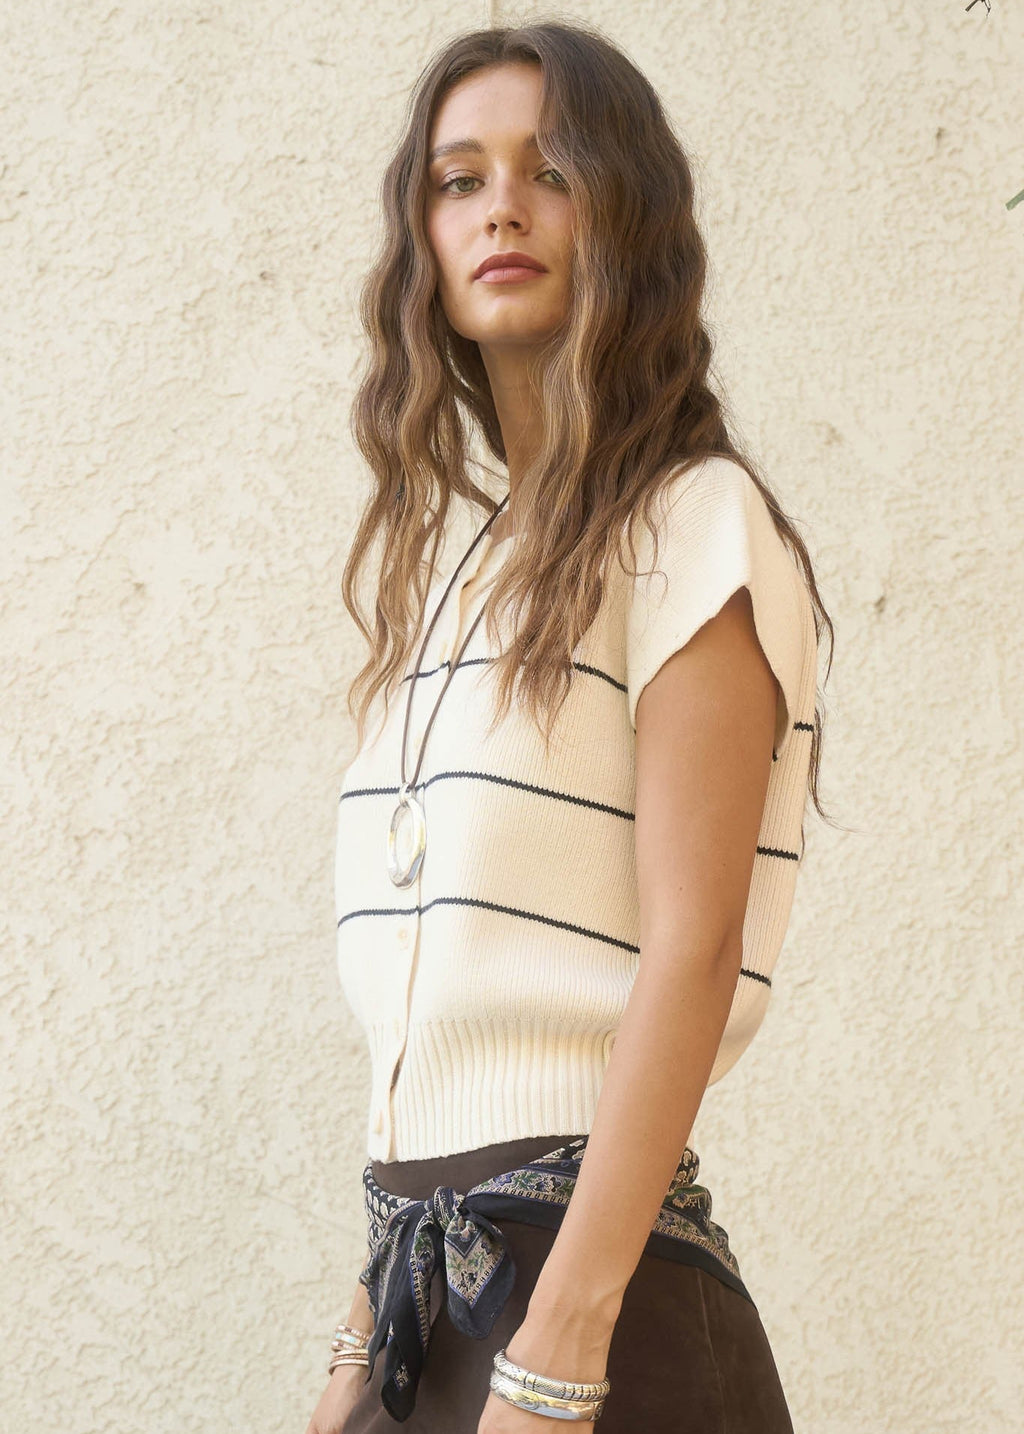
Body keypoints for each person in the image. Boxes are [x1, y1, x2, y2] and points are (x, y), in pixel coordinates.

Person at [305, 18, 834, 1434]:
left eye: (552, 170)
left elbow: (693, 947)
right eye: (459, 179)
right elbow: (426, 1029)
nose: (502, 208)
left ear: (627, 215)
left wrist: (560, 1352)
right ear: (422, 238)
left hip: (594, 1316)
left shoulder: (695, 523)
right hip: (424, 1304)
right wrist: (352, 1353)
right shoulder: (462, 585)